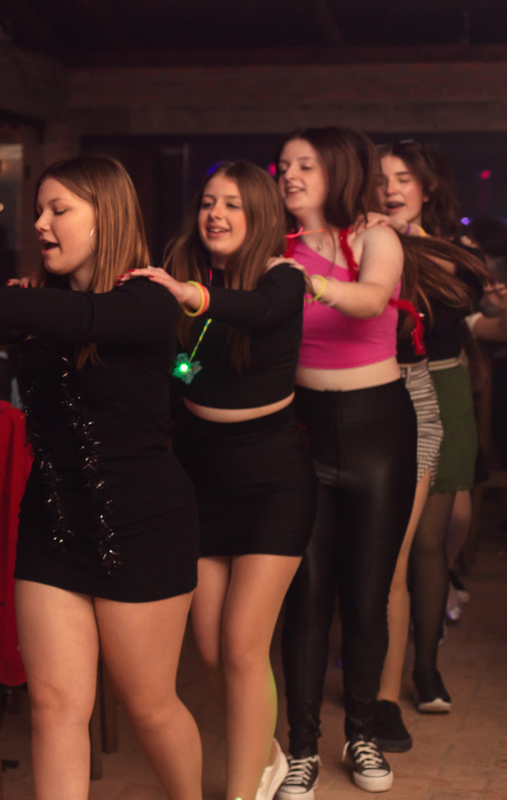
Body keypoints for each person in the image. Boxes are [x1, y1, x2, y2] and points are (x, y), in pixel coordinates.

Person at [0, 156, 202, 800]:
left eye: (59, 210)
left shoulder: (149, 298)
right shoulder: (42, 304)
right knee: (53, 705)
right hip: (52, 525)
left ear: (106, 217)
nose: (41, 224)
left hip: (143, 528)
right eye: (38, 211)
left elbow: (88, 320)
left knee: (149, 705)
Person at [124, 160, 316, 800]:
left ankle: (244, 789)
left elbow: (261, 310)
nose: (216, 214)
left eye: (232, 203)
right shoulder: (191, 281)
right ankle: (269, 753)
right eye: (208, 202)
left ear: (260, 214)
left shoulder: (283, 278)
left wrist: (188, 295)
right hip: (201, 479)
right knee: (209, 650)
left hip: (274, 484)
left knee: (241, 646)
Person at [275, 127, 415, 798]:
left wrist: (307, 280)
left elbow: (372, 297)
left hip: (376, 431)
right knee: (304, 595)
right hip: (301, 430)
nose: (289, 174)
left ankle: (362, 734)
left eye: (305, 164)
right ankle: (302, 748)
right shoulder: (276, 247)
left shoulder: (375, 236)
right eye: (284, 165)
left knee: (365, 595)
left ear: (337, 170)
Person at [369, 141, 492, 727]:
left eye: (403, 178)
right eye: (381, 179)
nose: (390, 189)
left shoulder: (453, 251)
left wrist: (409, 246)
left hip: (441, 384)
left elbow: (462, 296)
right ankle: (382, 655)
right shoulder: (362, 245)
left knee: (433, 534)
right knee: (389, 536)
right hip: (379, 386)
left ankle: (425, 665)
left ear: (428, 187)